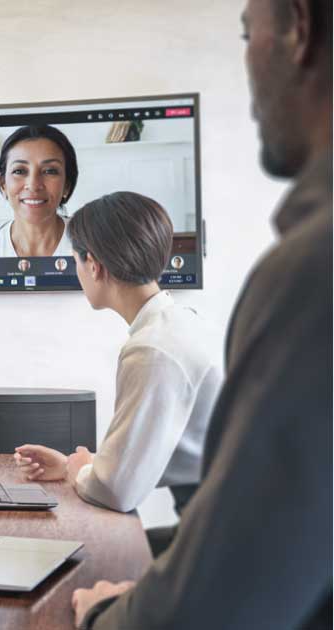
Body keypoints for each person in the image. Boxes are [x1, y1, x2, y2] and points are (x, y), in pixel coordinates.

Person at [72, 0, 331, 627]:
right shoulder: (174, 322)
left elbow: (127, 494)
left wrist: (101, 616)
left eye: (247, 32)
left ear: (298, 29)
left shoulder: (307, 274)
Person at [13, 192, 221, 526]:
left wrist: (80, 471)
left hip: (224, 535)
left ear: (93, 265)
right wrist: (74, 465)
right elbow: (150, 452)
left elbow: (116, 492)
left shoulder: (152, 350)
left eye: (75, 261)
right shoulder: (180, 323)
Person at [0, 125, 78, 259]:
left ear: (67, 184)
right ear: (3, 184)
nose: (33, 185)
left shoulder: (95, 243)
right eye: (19, 171)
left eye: (49, 171)